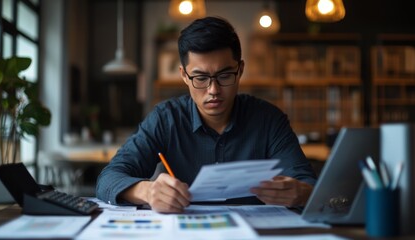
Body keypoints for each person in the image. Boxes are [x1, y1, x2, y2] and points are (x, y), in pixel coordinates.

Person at [96, 16, 317, 213]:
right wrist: (147, 191)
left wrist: (302, 193)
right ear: (184, 75)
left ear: (240, 70)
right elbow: (108, 178)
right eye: (200, 78)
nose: (213, 90)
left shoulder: (268, 120)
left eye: (225, 75)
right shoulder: (166, 119)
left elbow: (308, 182)